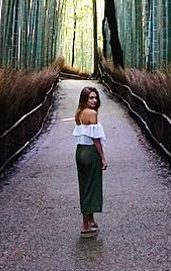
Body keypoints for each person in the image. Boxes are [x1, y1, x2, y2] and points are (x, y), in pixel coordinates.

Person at [73, 86, 107, 236]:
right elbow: (96, 139)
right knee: (91, 186)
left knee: (85, 184)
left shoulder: (79, 113)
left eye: (95, 97)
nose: (94, 100)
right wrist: (103, 157)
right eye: (90, 98)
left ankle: (90, 219)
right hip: (90, 153)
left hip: (80, 152)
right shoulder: (92, 114)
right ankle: (85, 225)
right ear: (84, 99)